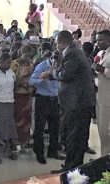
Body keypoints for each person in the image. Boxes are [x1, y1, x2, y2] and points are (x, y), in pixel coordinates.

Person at [40, 30, 95, 173]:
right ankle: (72, 166)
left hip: (76, 103)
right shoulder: (74, 51)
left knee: (74, 136)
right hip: (77, 102)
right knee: (74, 135)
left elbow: (65, 74)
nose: (56, 47)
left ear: (62, 43)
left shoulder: (72, 53)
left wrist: (50, 73)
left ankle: (71, 169)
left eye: (57, 44)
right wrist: (57, 62)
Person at [29, 50, 65, 164]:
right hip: (43, 99)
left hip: (55, 100)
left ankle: (52, 151)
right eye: (56, 61)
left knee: (55, 127)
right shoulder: (42, 65)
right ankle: (39, 153)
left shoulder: (62, 66)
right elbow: (32, 81)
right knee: (39, 127)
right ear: (51, 58)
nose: (57, 64)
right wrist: (43, 77)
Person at [93, 30, 110, 156]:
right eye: (97, 39)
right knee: (101, 129)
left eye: (100, 40)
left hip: (108, 97)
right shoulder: (100, 53)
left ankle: (106, 161)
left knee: (107, 131)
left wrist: (103, 69)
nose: (97, 42)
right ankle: (103, 158)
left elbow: (105, 71)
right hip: (99, 95)